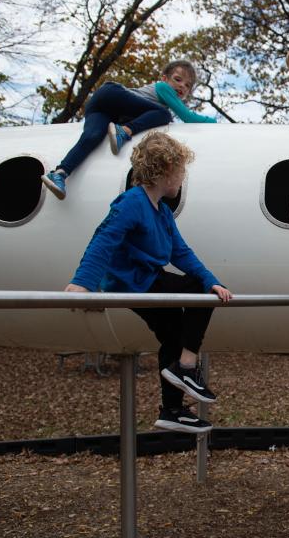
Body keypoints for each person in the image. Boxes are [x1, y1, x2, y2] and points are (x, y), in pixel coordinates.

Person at [65, 132, 232, 434]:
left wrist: (213, 281)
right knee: (196, 290)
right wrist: (83, 283)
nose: (182, 179)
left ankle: (171, 410)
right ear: (166, 172)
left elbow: (181, 252)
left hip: (146, 281)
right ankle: (187, 367)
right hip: (134, 283)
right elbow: (104, 239)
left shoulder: (163, 212)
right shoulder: (132, 202)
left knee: (175, 333)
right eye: (181, 172)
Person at [41, 60, 217, 201]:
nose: (181, 87)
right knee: (164, 114)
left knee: (92, 137)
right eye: (177, 79)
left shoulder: (151, 107)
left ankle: (60, 174)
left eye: (187, 86)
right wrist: (214, 121)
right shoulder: (162, 89)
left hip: (104, 110)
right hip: (112, 94)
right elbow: (188, 117)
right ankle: (124, 132)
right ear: (164, 78)